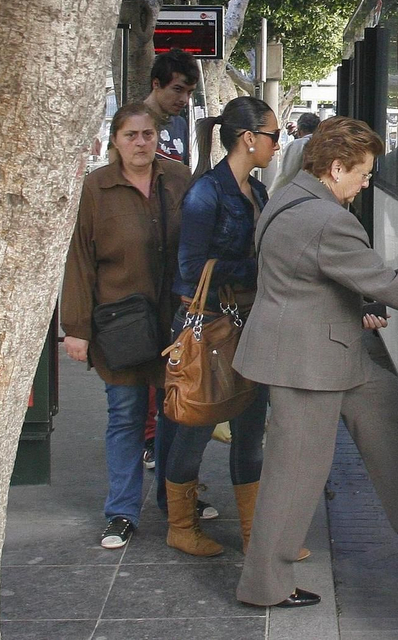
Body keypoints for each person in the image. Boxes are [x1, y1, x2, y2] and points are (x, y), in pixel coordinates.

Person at [234, 117, 398, 610]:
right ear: (335, 168)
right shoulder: (328, 219)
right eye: (365, 173)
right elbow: (385, 281)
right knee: (295, 477)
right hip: (308, 361)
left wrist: (359, 308)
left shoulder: (290, 195)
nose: (368, 182)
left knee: (382, 399)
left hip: (319, 345)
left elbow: (313, 275)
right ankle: (265, 586)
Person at [154, 95, 287, 558]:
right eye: (273, 134)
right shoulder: (206, 192)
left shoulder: (258, 190)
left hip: (248, 326)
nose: (278, 142)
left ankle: (255, 537)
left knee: (250, 430)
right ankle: (180, 526)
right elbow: (191, 268)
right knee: (193, 426)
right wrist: (258, 270)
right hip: (207, 329)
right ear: (248, 139)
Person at [60, 102, 191, 550]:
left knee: (176, 414)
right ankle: (121, 512)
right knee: (126, 417)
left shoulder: (178, 179)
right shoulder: (96, 188)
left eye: (148, 134)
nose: (140, 143)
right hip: (119, 325)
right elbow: (78, 260)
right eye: (131, 135)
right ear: (115, 140)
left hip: (173, 322)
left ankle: (176, 505)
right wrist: (75, 328)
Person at [145, 50, 201, 167]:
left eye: (189, 92)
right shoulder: (130, 119)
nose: (184, 100)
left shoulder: (180, 124)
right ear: (156, 84)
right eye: (178, 89)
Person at [268, 112, 321, 196]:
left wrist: (270, 198)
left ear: (299, 131)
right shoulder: (327, 145)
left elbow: (285, 176)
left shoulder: (296, 145)